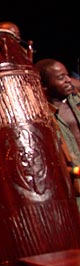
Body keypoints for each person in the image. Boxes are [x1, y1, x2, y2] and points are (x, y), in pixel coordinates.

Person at [35, 58, 80, 209]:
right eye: (61, 78)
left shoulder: (76, 101)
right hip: (73, 192)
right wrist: (75, 170)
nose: (68, 80)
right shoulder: (41, 118)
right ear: (44, 85)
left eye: (67, 75)